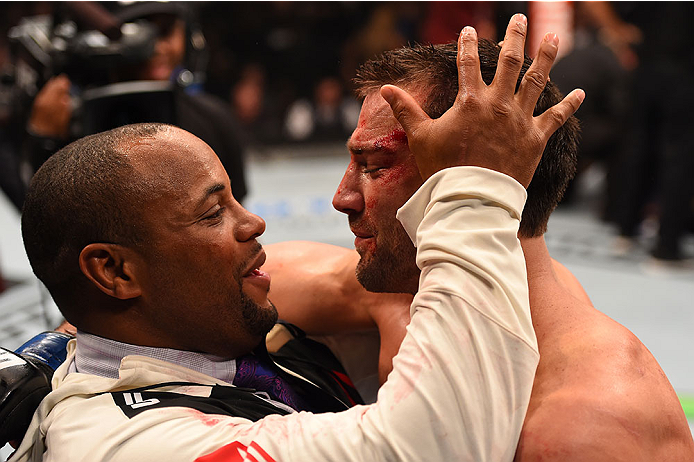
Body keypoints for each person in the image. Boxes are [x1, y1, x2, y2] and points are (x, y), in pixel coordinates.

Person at [8, 15, 584, 462]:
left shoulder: (203, 322)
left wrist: (390, 302)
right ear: (115, 273)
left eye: (234, 198)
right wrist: (474, 188)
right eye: (213, 214)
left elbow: (360, 285)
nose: (254, 224)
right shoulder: (130, 444)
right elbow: (430, 445)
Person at [265, 35, 694, 460]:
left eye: (375, 168)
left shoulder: (580, 426)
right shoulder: (405, 294)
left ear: (470, 185)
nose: (342, 197)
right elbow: (254, 281)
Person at [21, 1, 248, 204]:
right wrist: (44, 140)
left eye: (165, 31)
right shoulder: (65, 120)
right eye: (135, 32)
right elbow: (45, 221)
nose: (155, 47)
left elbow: (233, 213)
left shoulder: (213, 117)